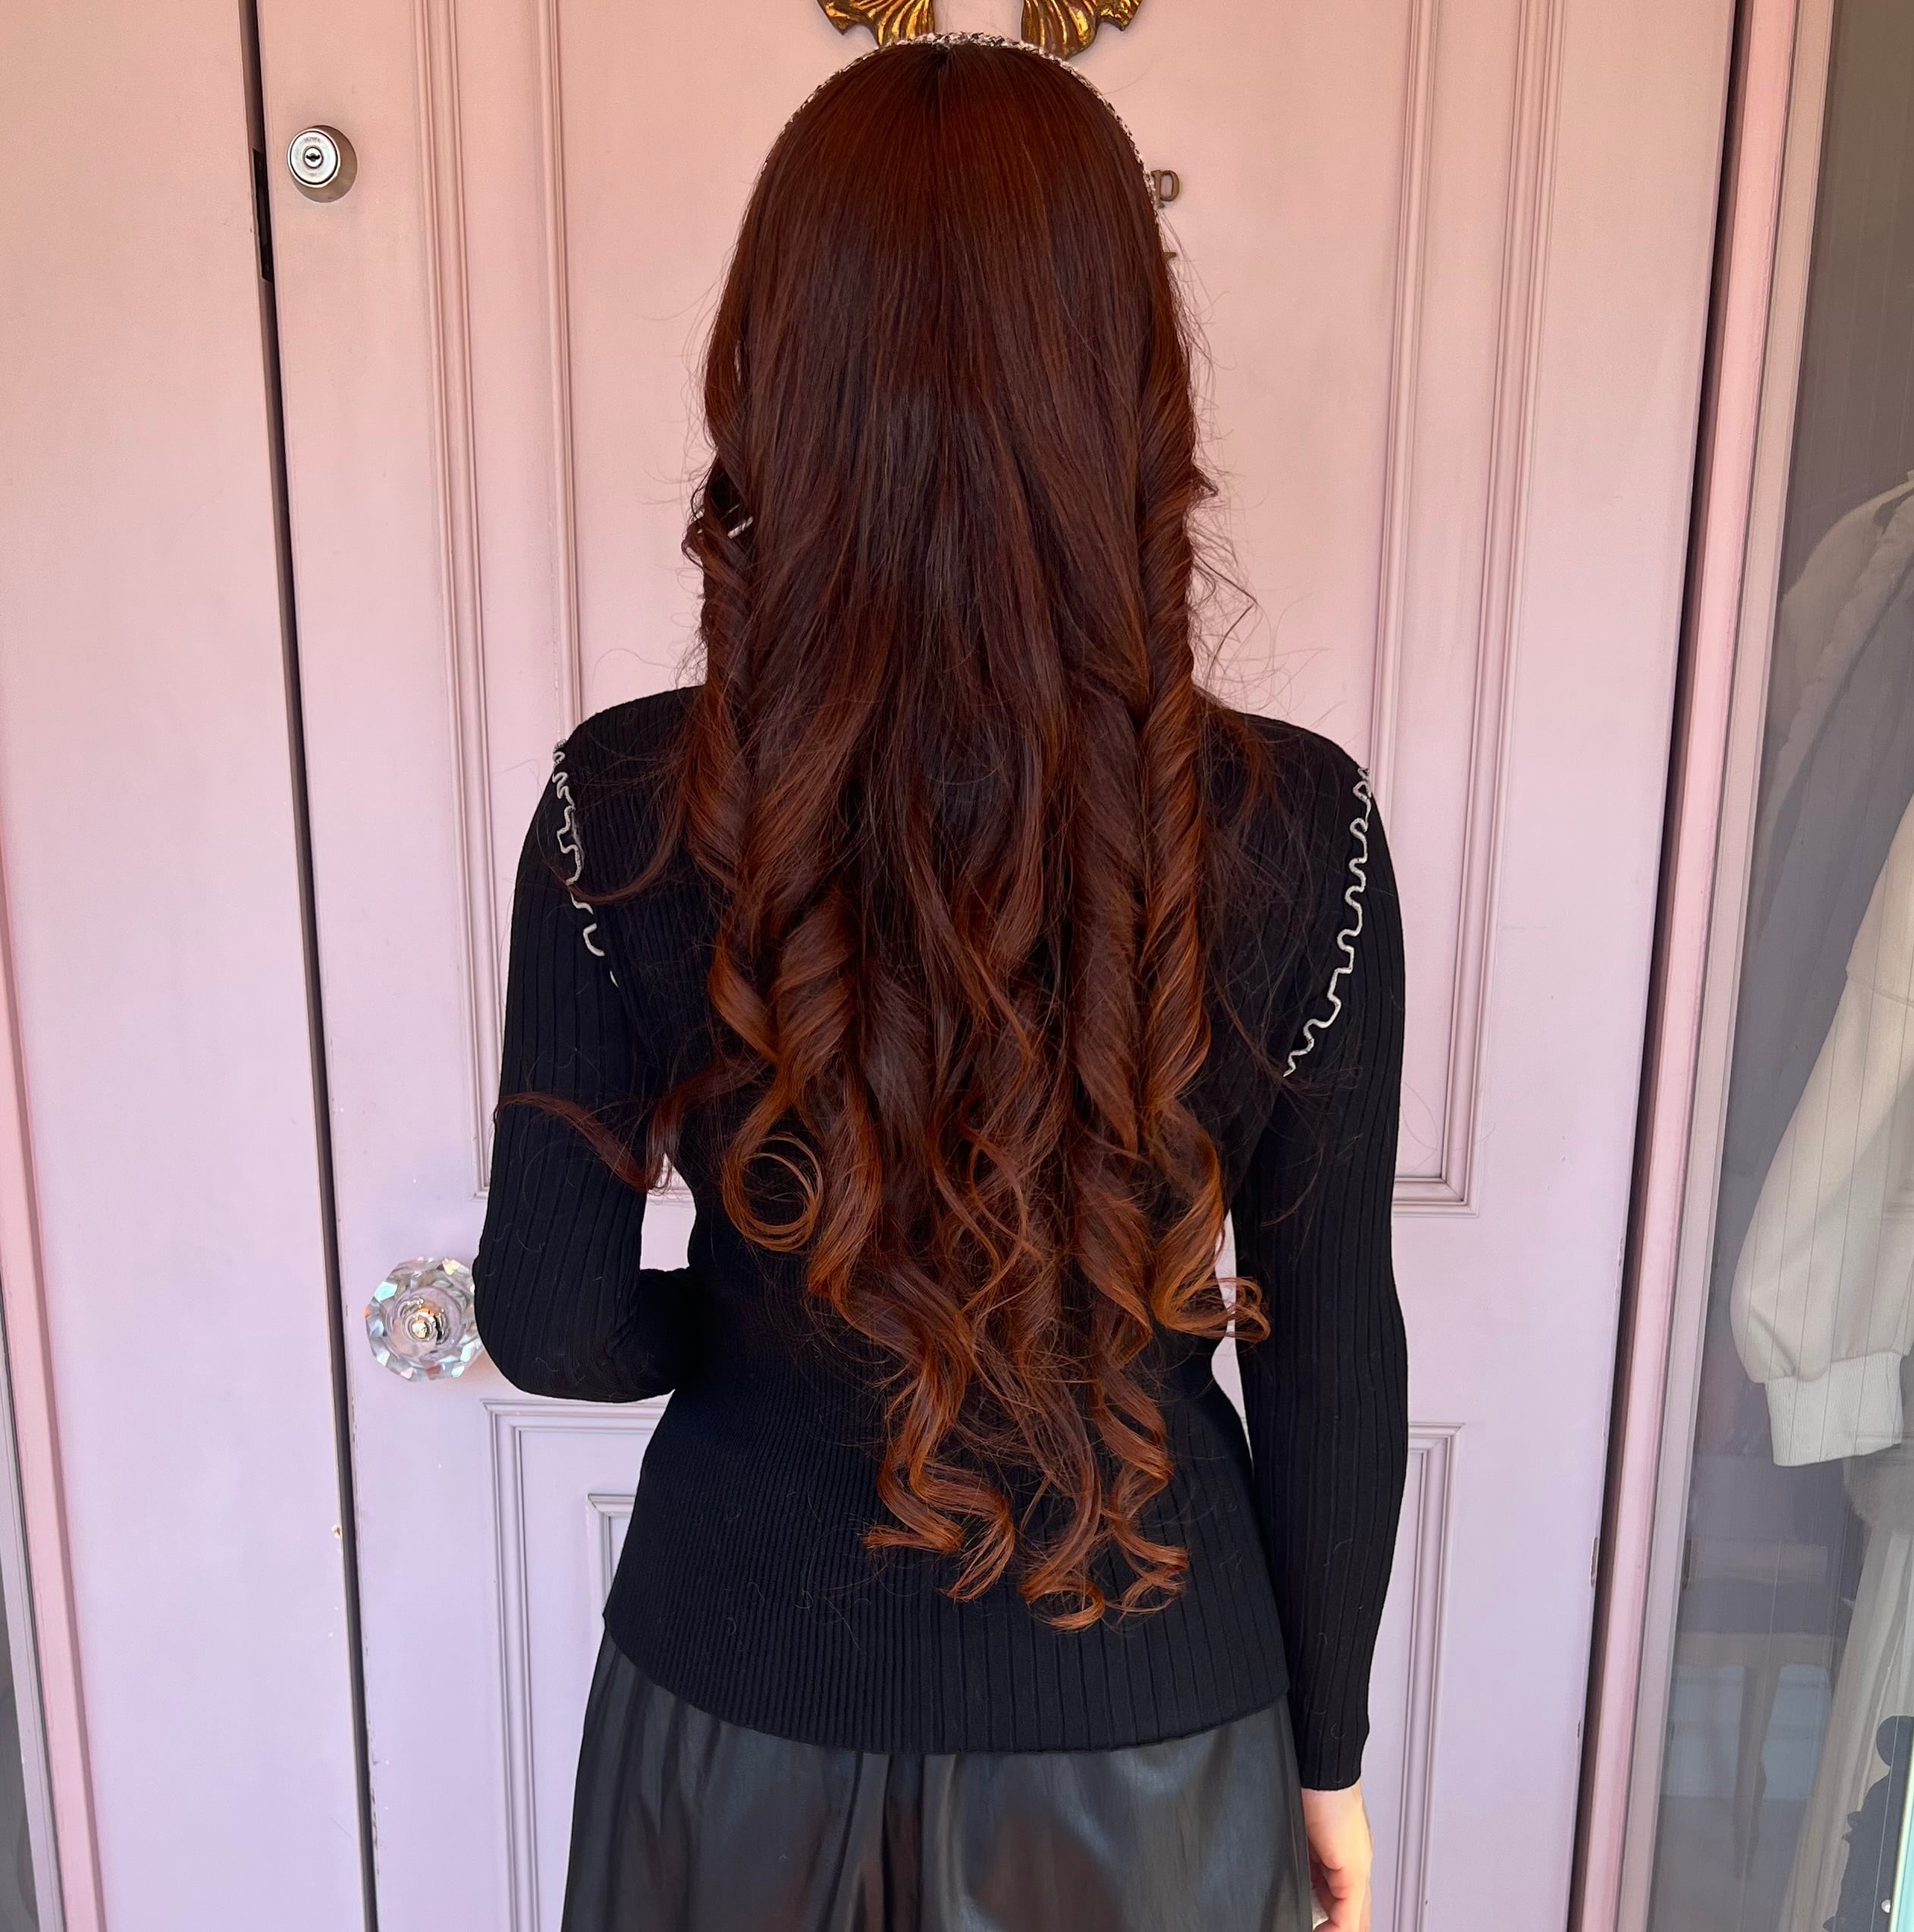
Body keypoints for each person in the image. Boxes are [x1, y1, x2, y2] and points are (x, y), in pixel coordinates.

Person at [471, 30, 1407, 1932]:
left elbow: (551, 1318)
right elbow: (1327, 1350)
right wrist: (1326, 1757)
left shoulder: (620, 798)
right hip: (1151, 1725)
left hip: (728, 1710)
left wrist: (764, 1329)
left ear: (773, 362)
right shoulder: (1298, 823)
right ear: (1123, 372)